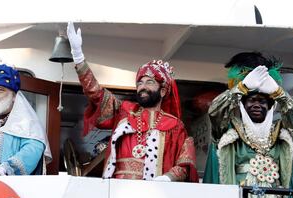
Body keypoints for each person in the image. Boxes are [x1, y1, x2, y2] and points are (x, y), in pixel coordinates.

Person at [66, 22, 198, 182]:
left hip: (154, 196)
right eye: (140, 83)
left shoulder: (175, 127)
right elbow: (96, 93)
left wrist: (167, 178)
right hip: (116, 194)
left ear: (163, 91)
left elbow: (185, 163)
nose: (143, 87)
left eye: (149, 82)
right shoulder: (124, 112)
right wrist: (78, 56)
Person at [204, 52, 293, 198]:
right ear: (242, 105)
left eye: (262, 101)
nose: (257, 104)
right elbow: (215, 111)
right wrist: (242, 87)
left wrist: (278, 92)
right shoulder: (227, 132)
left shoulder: (282, 134)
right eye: (251, 100)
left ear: (270, 106)